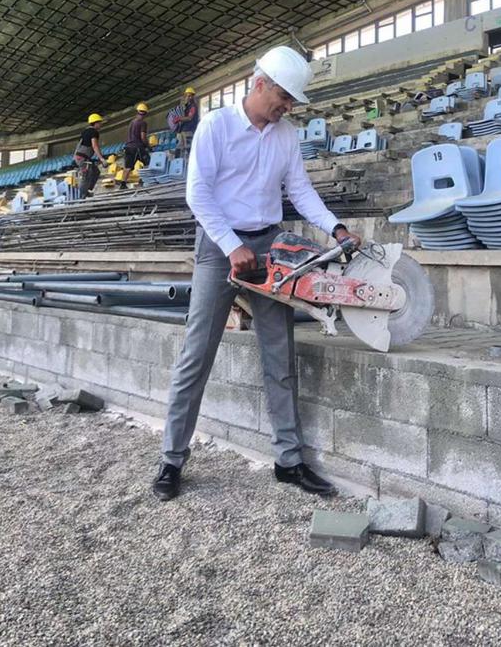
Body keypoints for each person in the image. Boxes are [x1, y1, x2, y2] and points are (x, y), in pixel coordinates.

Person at [153, 45, 362, 502]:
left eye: (292, 101)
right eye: (284, 97)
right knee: (197, 353)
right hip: (219, 244)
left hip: (270, 245)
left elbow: (301, 191)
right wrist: (232, 247)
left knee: (279, 354)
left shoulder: (287, 135)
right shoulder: (216, 125)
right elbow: (198, 194)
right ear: (260, 83)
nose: (287, 106)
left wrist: (336, 227)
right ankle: (171, 460)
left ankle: (289, 461)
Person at [74, 113, 108, 198]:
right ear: (95, 123)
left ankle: (86, 191)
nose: (101, 124)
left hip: (81, 157)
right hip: (83, 158)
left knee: (96, 171)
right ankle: (81, 196)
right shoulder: (94, 132)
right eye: (100, 122)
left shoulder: (85, 131)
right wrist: (101, 158)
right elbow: (95, 146)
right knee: (86, 176)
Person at [120, 102, 150, 190]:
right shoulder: (143, 123)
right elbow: (143, 137)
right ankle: (144, 180)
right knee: (148, 162)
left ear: (137, 112)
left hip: (128, 147)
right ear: (145, 113)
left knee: (128, 167)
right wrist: (147, 145)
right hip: (137, 147)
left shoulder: (132, 122)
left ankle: (123, 184)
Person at [173, 86, 199, 156]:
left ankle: (190, 164)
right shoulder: (186, 106)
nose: (188, 97)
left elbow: (190, 118)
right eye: (187, 96)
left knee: (188, 148)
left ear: (193, 97)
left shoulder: (193, 106)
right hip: (182, 131)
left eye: (190, 96)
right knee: (178, 148)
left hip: (189, 131)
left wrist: (179, 118)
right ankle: (176, 164)